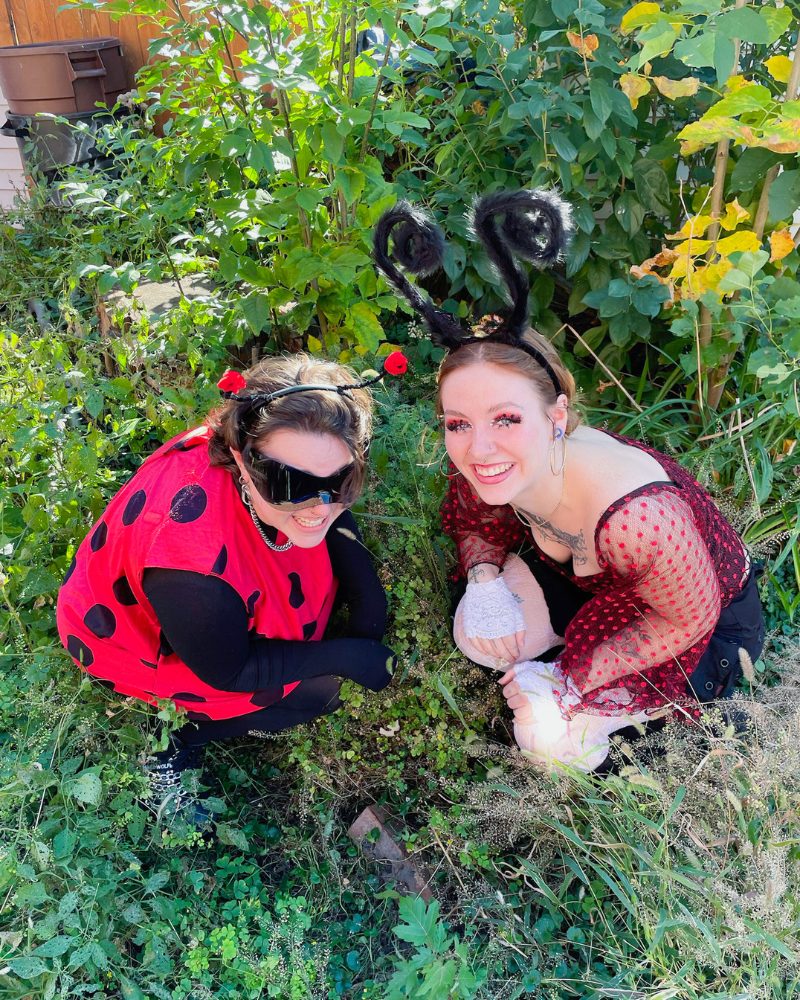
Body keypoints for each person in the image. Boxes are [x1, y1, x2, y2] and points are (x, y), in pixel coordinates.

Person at [373, 190, 764, 772]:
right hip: (587, 586)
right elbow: (479, 518)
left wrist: (568, 677)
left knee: (549, 745)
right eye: (459, 423)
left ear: (555, 415)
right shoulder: (491, 463)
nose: (479, 447)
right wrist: (482, 579)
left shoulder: (639, 517)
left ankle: (658, 715)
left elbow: (684, 618)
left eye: (506, 418)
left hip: (690, 626)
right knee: (476, 633)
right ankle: (569, 677)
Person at [57, 352, 406, 823]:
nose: (320, 507)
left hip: (226, 587)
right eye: (289, 483)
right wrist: (345, 655)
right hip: (140, 638)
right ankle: (178, 739)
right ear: (241, 458)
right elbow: (229, 670)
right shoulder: (190, 566)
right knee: (320, 693)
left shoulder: (275, 466)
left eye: (343, 480)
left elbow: (320, 503)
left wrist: (367, 593)